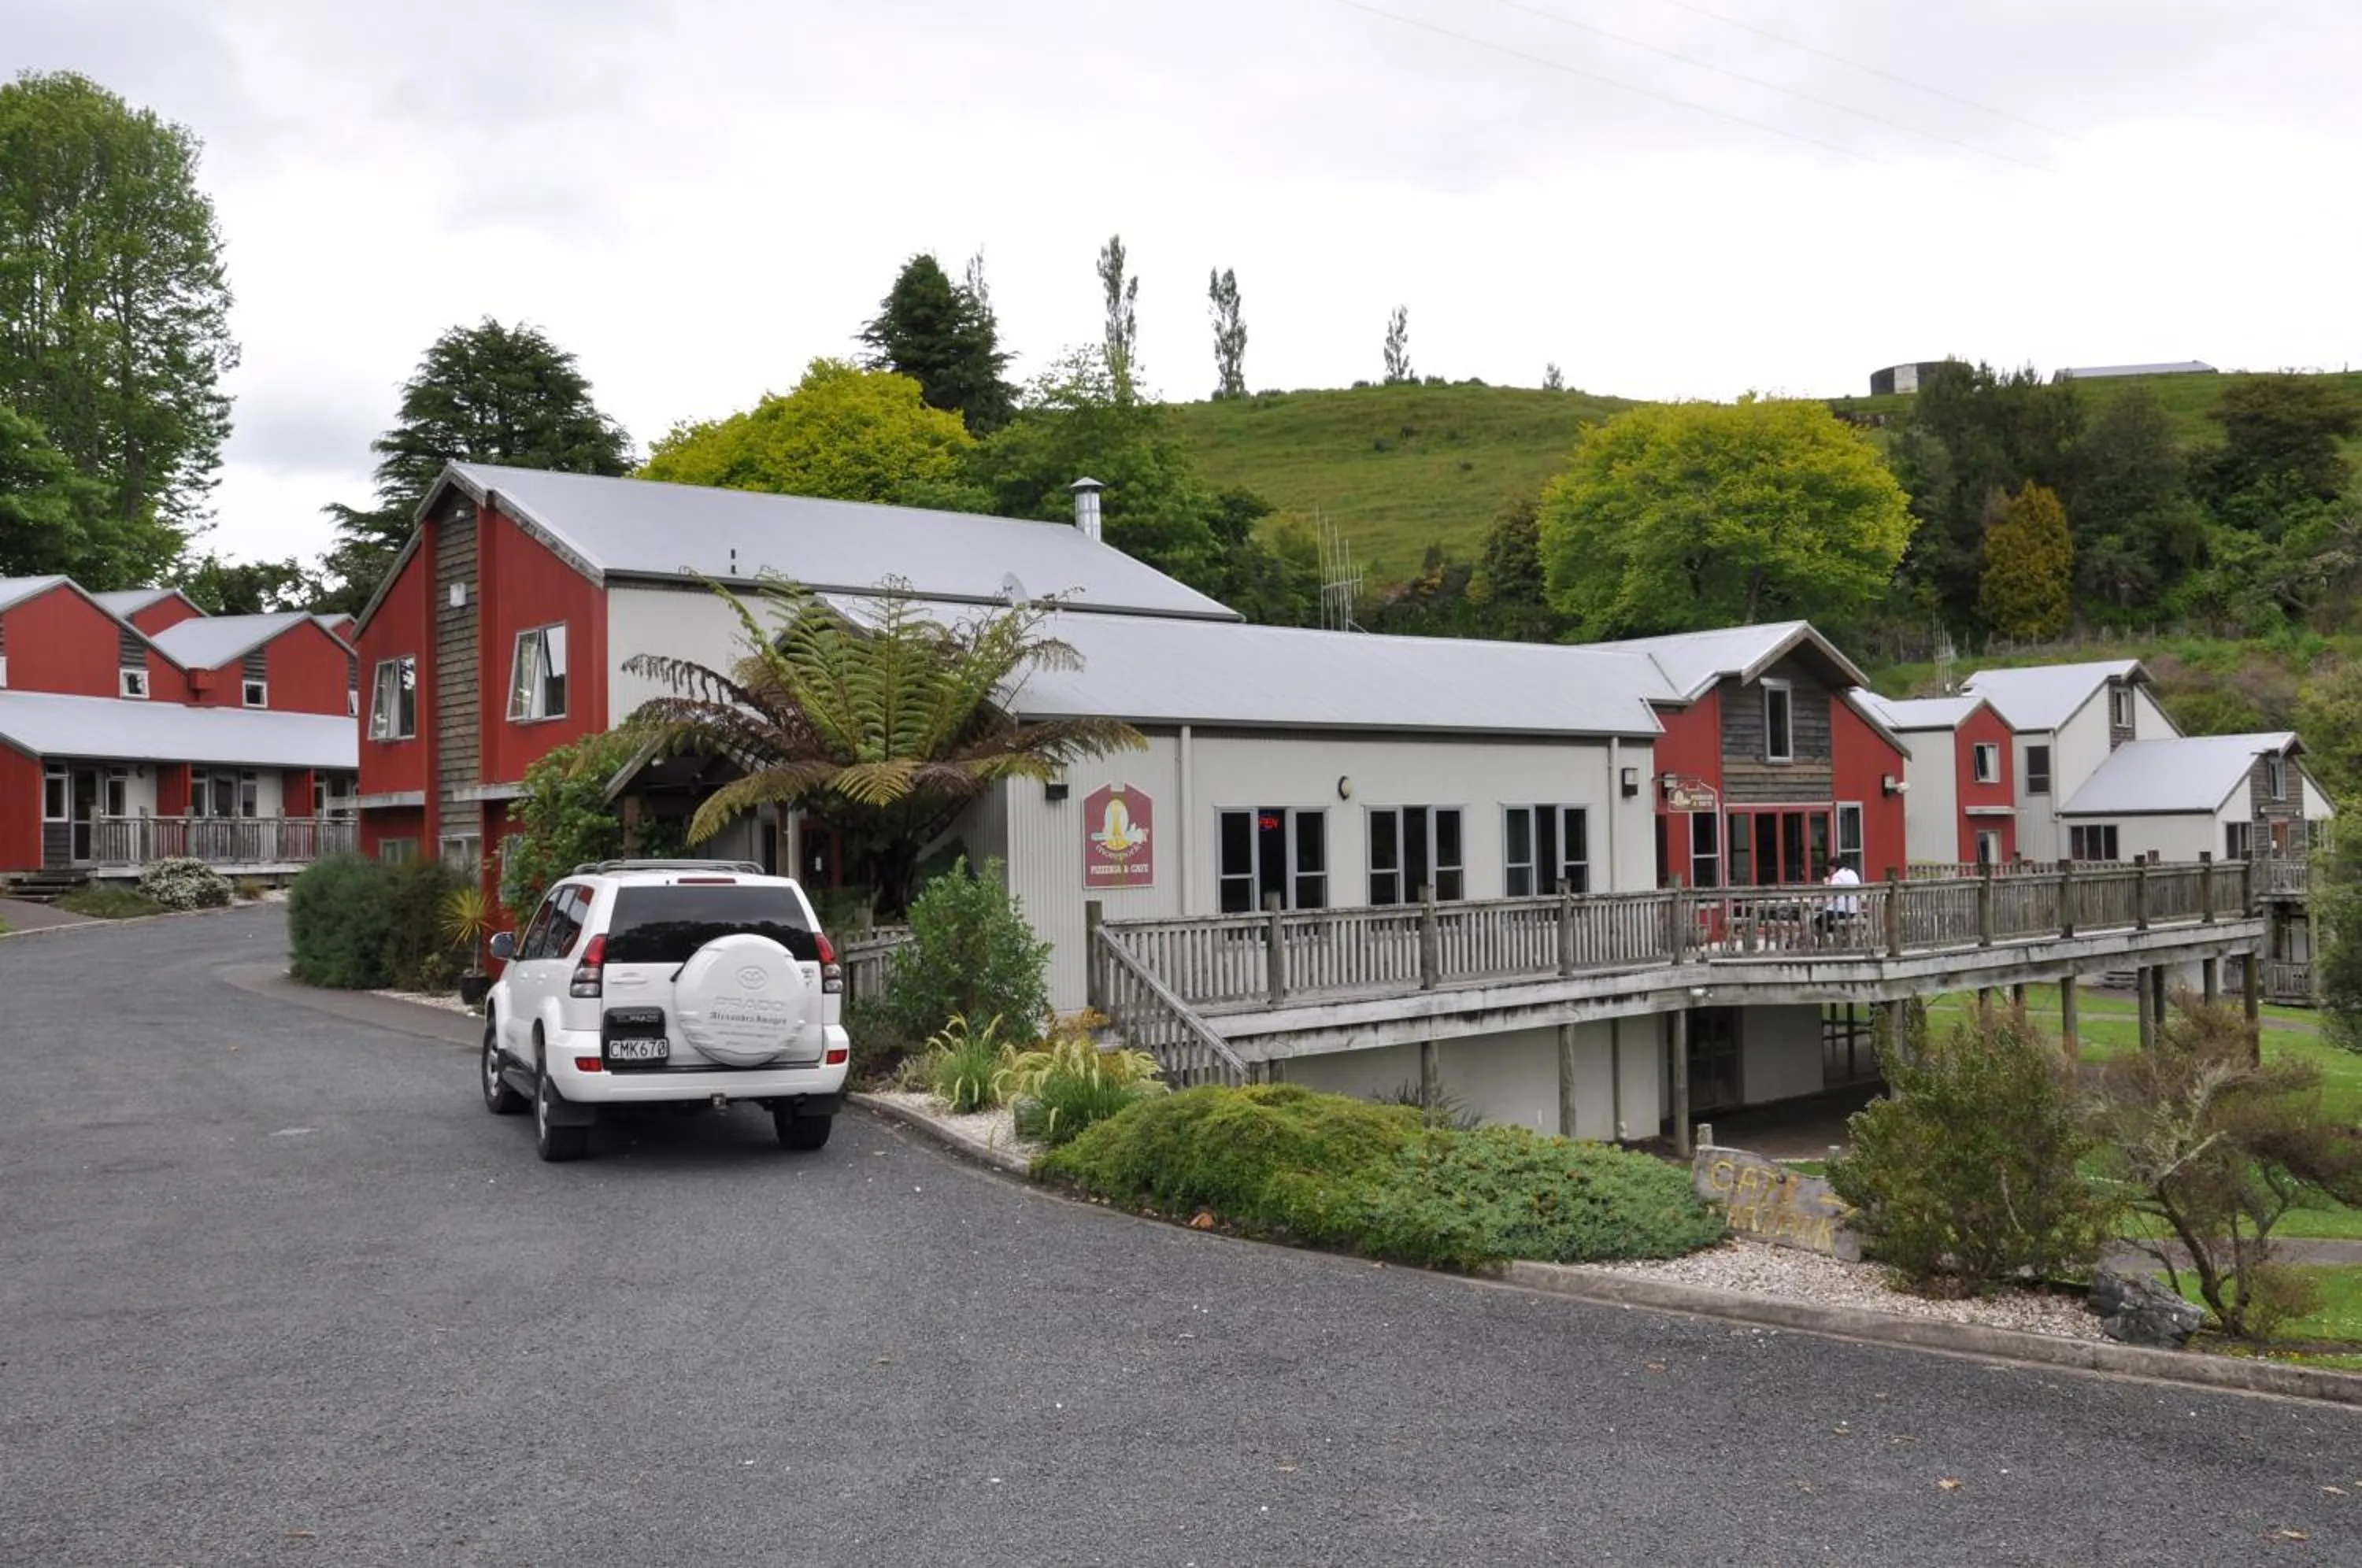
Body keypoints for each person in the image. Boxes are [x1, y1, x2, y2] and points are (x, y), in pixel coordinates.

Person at [1820, 860, 1862, 937]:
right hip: (1853, 910)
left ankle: (1831, 938)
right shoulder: (1852, 873)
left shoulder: (1838, 876)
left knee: (1820, 919)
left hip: (1842, 911)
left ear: (1834, 867)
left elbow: (1830, 893)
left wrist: (1826, 883)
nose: (1829, 872)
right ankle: (1839, 935)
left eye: (1829, 869)